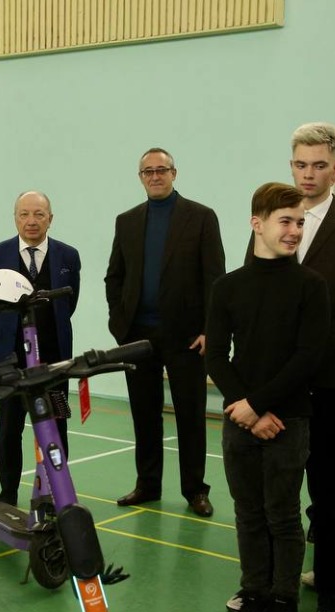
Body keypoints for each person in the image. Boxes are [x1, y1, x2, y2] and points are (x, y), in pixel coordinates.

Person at [244, 123, 335, 612]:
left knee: (331, 490)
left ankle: (332, 593)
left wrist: (304, 358)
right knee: (270, 493)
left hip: (329, 384)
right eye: (300, 164)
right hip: (274, 386)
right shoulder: (269, 222)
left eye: (320, 165)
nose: (309, 174)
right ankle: (263, 588)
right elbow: (253, 299)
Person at [206, 182, 329, 612]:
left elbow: (307, 356)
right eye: (286, 220)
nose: (294, 229)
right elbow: (216, 355)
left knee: (282, 515)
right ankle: (254, 594)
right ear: (258, 223)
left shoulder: (310, 287)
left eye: (300, 222)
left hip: (288, 420)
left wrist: (259, 406)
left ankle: (283, 601)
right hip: (241, 421)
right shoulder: (228, 287)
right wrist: (247, 410)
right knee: (247, 513)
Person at [105, 147, 225, 517]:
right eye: (148, 171)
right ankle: (148, 484)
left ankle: (195, 490)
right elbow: (115, 276)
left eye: (162, 170)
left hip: (187, 336)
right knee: (144, 413)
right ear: (140, 177)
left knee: (190, 415)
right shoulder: (127, 221)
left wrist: (210, 329)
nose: (155, 176)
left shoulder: (202, 218)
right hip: (138, 337)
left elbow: (215, 279)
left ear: (175, 173)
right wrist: (119, 324)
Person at [0, 191, 80, 506]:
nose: (31, 221)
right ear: (15, 218)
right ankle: (8, 493)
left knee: (57, 426)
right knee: (9, 430)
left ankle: (55, 491)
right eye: (24, 214)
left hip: (54, 362)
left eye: (39, 214)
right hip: (9, 361)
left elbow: (70, 303)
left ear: (51, 218)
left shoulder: (68, 256)